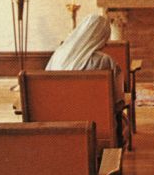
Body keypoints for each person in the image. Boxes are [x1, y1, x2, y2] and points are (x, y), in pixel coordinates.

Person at [45, 14, 126, 144]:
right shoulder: (105, 61)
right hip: (97, 128)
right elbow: (118, 102)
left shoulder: (58, 54)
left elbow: (47, 91)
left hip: (59, 124)